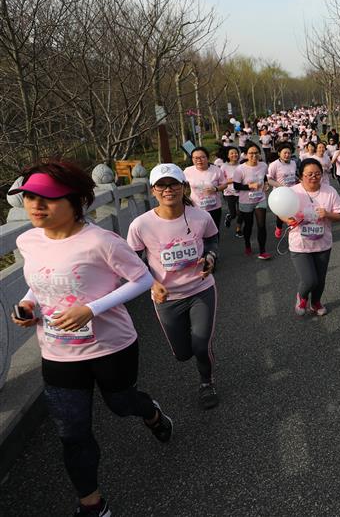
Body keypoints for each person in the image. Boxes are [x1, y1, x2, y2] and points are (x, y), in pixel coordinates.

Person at [10, 160, 173, 517]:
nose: (36, 205)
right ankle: (93, 505)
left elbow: (142, 280)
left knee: (121, 405)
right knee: (72, 432)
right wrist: (28, 303)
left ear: (76, 201)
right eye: (29, 198)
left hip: (111, 347)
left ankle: (151, 412)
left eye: (48, 199)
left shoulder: (101, 241)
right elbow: (41, 280)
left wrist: (92, 309)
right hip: (57, 352)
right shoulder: (28, 240)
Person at [127, 164, 221, 410]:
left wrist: (210, 258)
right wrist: (152, 282)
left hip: (201, 289)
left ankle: (206, 382)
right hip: (167, 297)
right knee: (182, 353)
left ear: (183, 187)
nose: (168, 190)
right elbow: (133, 260)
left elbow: (212, 240)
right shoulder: (140, 225)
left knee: (200, 345)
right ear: (153, 191)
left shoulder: (201, 216)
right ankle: (197, 346)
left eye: (174, 184)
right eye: (162, 185)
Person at [278, 159, 340, 317]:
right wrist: (287, 219)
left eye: (317, 174)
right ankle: (301, 297)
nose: (314, 177)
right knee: (309, 280)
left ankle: (315, 302)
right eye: (309, 174)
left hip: (323, 243)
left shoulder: (330, 191)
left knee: (320, 280)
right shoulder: (293, 192)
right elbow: (281, 211)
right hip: (299, 244)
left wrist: (327, 214)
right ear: (301, 176)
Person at [232, 142, 272, 260]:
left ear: (259, 154)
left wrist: (265, 184)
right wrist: (249, 186)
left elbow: (264, 176)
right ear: (246, 155)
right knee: (248, 225)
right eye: (251, 153)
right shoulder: (240, 169)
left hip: (260, 199)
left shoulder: (263, 165)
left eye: (256, 153)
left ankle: (262, 251)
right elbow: (236, 186)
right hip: (246, 201)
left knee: (261, 225)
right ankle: (247, 244)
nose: (254, 155)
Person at [183, 147, 227, 231]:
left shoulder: (216, 170)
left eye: (202, 157)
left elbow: (224, 184)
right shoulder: (187, 171)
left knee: (214, 231)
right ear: (192, 159)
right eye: (195, 158)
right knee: (199, 231)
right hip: (196, 208)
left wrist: (215, 189)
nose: (199, 160)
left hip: (214, 207)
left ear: (207, 158)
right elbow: (182, 185)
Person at [268, 142, 298, 240]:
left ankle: (293, 232)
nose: (287, 155)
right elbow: (268, 179)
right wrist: (280, 186)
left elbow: (294, 176)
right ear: (279, 153)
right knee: (281, 213)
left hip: (293, 192)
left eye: (289, 153)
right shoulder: (274, 165)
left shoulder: (293, 163)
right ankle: (279, 227)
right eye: (285, 153)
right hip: (280, 195)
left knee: (293, 212)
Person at [220, 146, 241, 234]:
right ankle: (229, 216)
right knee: (233, 214)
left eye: (236, 153)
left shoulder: (241, 166)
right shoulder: (224, 167)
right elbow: (221, 181)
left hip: (241, 193)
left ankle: (238, 229)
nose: (234, 155)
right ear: (228, 156)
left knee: (241, 213)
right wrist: (234, 179)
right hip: (229, 193)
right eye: (232, 153)